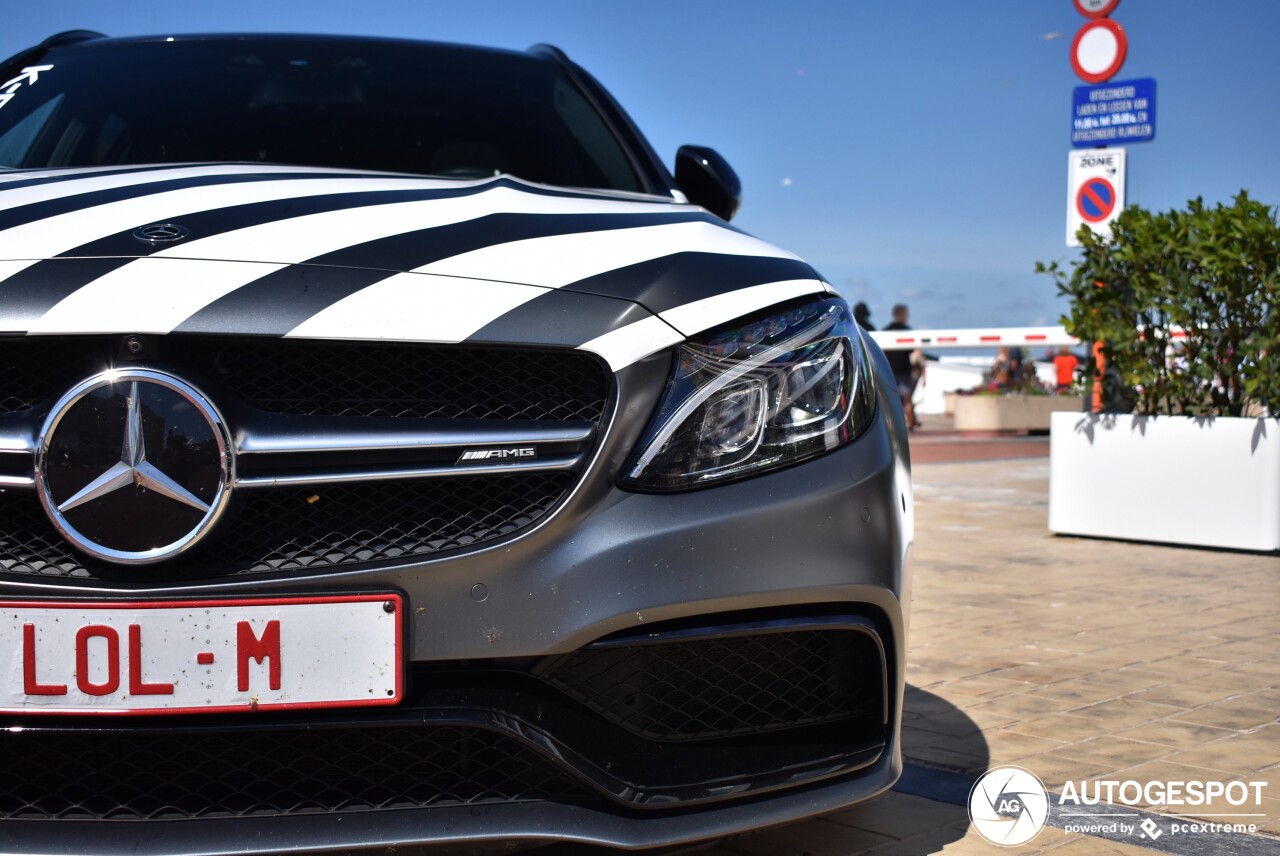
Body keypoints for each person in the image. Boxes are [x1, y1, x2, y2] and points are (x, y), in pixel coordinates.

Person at [883, 303, 922, 429]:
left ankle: (891, 427)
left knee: (890, 402)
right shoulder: (907, 332)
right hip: (904, 371)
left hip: (890, 371)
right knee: (906, 400)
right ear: (904, 315)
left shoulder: (886, 330)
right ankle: (910, 424)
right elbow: (915, 353)